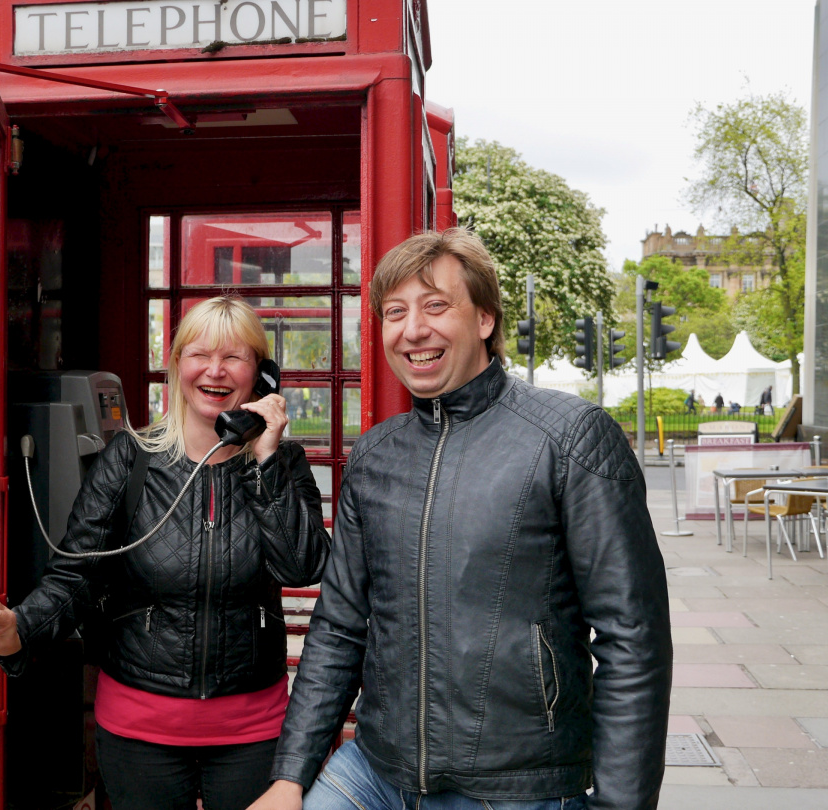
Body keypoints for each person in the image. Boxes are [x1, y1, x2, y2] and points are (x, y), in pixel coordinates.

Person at [250, 229, 671, 810]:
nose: (413, 329)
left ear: (485, 321)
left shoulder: (571, 437)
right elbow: (339, 626)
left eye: (436, 305)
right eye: (395, 312)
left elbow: (634, 638)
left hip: (515, 786)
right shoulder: (375, 454)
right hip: (374, 771)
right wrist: (290, 776)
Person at [0, 297, 331, 810]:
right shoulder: (131, 458)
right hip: (140, 732)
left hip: (254, 731)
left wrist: (264, 458)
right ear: (176, 365)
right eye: (199, 354)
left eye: (235, 358)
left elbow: (301, 566)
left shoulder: (283, 464)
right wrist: (19, 628)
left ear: (262, 375)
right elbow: (76, 574)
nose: (215, 370)